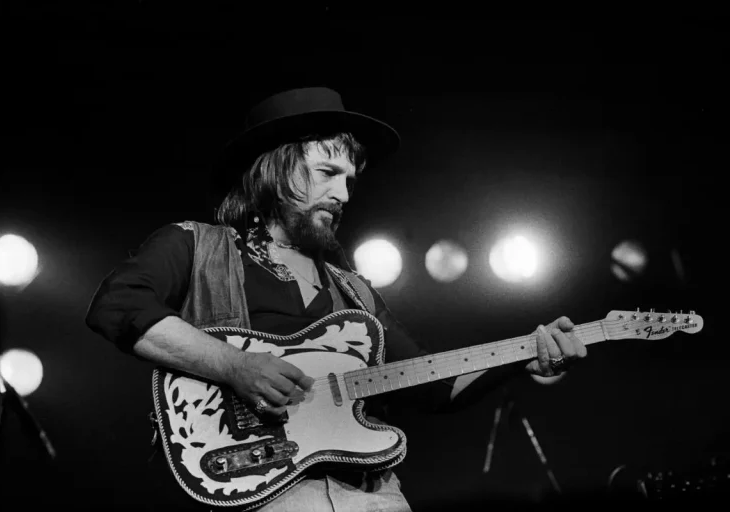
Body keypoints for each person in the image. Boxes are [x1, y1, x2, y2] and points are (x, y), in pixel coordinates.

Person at [85, 87, 587, 511]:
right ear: (275, 170)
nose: (344, 195)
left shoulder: (354, 289)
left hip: (372, 492)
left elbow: (433, 388)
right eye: (327, 172)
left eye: (349, 180)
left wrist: (525, 354)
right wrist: (236, 366)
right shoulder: (195, 245)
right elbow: (118, 306)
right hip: (256, 486)